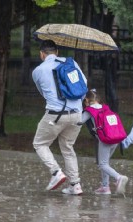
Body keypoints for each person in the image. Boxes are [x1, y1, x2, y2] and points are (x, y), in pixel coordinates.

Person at [32, 40, 87, 195]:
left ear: (41, 54)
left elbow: (43, 92)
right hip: (77, 114)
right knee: (68, 148)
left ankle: (56, 173)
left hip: (55, 115)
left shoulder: (38, 70)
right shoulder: (71, 63)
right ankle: (75, 185)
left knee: (40, 144)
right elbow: (84, 85)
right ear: (57, 52)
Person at [79, 89, 129, 195]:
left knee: (102, 164)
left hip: (105, 140)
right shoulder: (105, 108)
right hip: (115, 138)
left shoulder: (90, 110)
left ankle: (119, 177)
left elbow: (79, 122)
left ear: (87, 100)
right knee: (105, 163)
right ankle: (105, 187)